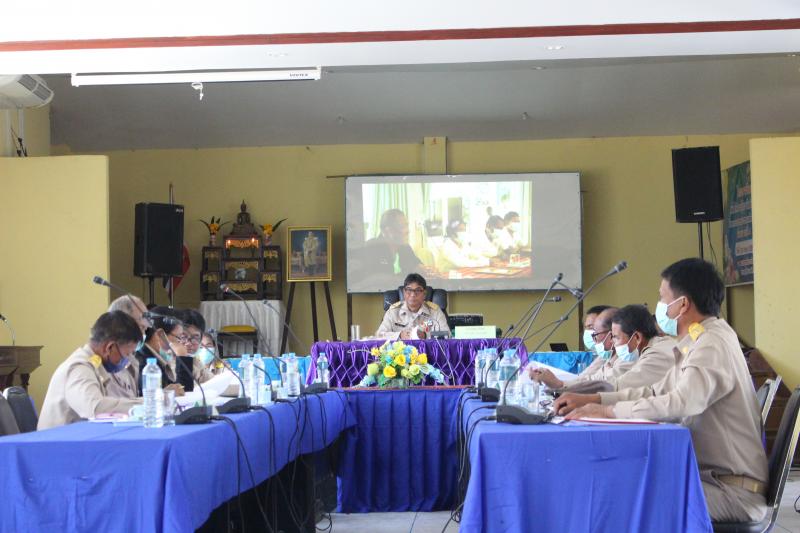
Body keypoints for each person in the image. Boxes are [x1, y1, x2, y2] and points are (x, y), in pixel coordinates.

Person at [553, 258, 767, 523]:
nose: (659, 307)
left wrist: (608, 412)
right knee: (620, 480)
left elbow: (682, 403)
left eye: (663, 298)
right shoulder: (698, 340)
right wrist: (594, 399)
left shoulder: (711, 343)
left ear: (683, 304)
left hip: (729, 491)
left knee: (621, 496)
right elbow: (655, 392)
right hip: (708, 479)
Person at [532, 305, 675, 393]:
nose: (613, 342)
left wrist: (560, 385)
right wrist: (561, 385)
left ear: (637, 337)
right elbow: (592, 379)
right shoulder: (640, 351)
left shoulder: (657, 353)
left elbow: (619, 386)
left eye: (615, 337)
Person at [38, 311, 143, 429]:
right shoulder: (79, 368)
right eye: (127, 354)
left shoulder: (96, 363)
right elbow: (95, 408)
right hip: (59, 439)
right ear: (109, 347)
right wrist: (146, 404)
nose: (128, 360)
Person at [530, 307, 627, 389]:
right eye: (588, 328)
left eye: (594, 331)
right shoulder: (606, 356)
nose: (594, 338)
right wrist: (553, 381)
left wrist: (558, 383)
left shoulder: (626, 359)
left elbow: (601, 387)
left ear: (612, 333)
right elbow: (585, 379)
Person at [355, 209, 428, 285]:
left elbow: (415, 264)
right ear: (388, 231)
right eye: (402, 226)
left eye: (407, 225)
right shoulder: (371, 248)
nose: (407, 231)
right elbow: (381, 281)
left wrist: (424, 269)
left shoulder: (404, 246)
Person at [376, 273, 448, 340]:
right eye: (409, 290)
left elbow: (447, 335)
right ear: (404, 292)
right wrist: (399, 335)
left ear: (424, 294)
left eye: (418, 290)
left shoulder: (435, 312)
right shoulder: (393, 311)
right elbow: (379, 335)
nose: (413, 294)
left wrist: (425, 335)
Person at [133, 308, 187, 395]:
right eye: (179, 337)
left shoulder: (157, 359)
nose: (181, 343)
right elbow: (184, 393)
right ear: (160, 334)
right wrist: (182, 358)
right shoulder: (146, 365)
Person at [105, 294, 149, 399]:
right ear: (122, 324)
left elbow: (131, 401)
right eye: (141, 327)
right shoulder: (100, 363)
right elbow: (109, 405)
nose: (143, 335)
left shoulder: (131, 361)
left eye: (145, 329)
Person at [179, 309, 215, 384]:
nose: (188, 343)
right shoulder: (166, 362)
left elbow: (213, 382)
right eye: (183, 337)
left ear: (201, 339)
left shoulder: (196, 362)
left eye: (195, 338)